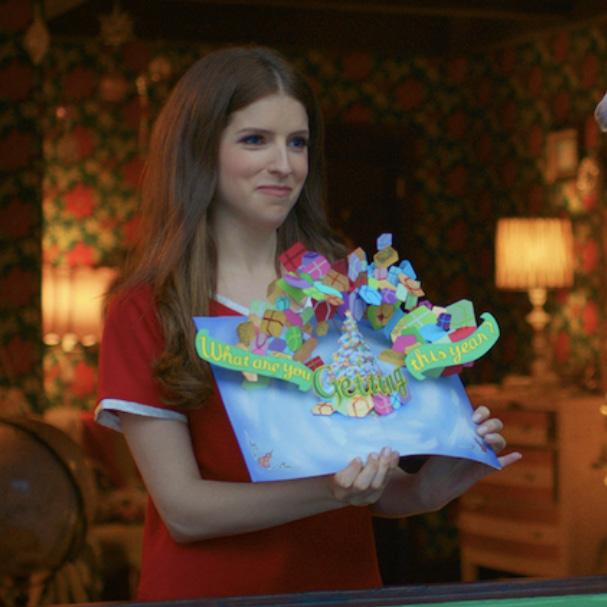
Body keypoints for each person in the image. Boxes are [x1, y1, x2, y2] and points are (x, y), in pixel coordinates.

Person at [96, 46, 521, 601]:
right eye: (255, 139)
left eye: (297, 142)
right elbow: (185, 511)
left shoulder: (349, 285)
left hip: (346, 590)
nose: (284, 164)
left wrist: (424, 490)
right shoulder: (147, 306)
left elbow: (368, 480)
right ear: (199, 150)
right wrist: (333, 491)